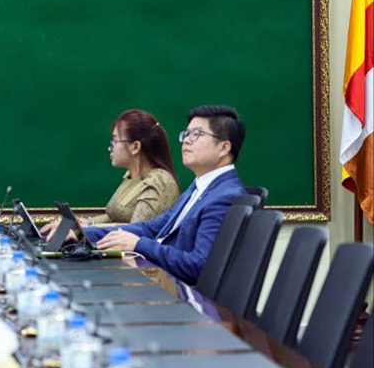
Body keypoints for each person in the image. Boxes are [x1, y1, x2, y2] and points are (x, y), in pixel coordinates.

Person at [51, 105, 247, 285]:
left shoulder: (225, 196)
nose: (186, 140)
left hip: (177, 294)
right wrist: (82, 233)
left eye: (197, 134)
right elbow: (150, 228)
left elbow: (199, 267)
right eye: (186, 134)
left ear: (224, 147)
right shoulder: (199, 188)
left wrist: (139, 244)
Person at [48, 110, 180, 231]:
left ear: (135, 147)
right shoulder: (132, 176)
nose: (110, 148)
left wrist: (86, 228)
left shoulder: (159, 181)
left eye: (115, 141)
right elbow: (114, 217)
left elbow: (136, 231)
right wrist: (76, 225)